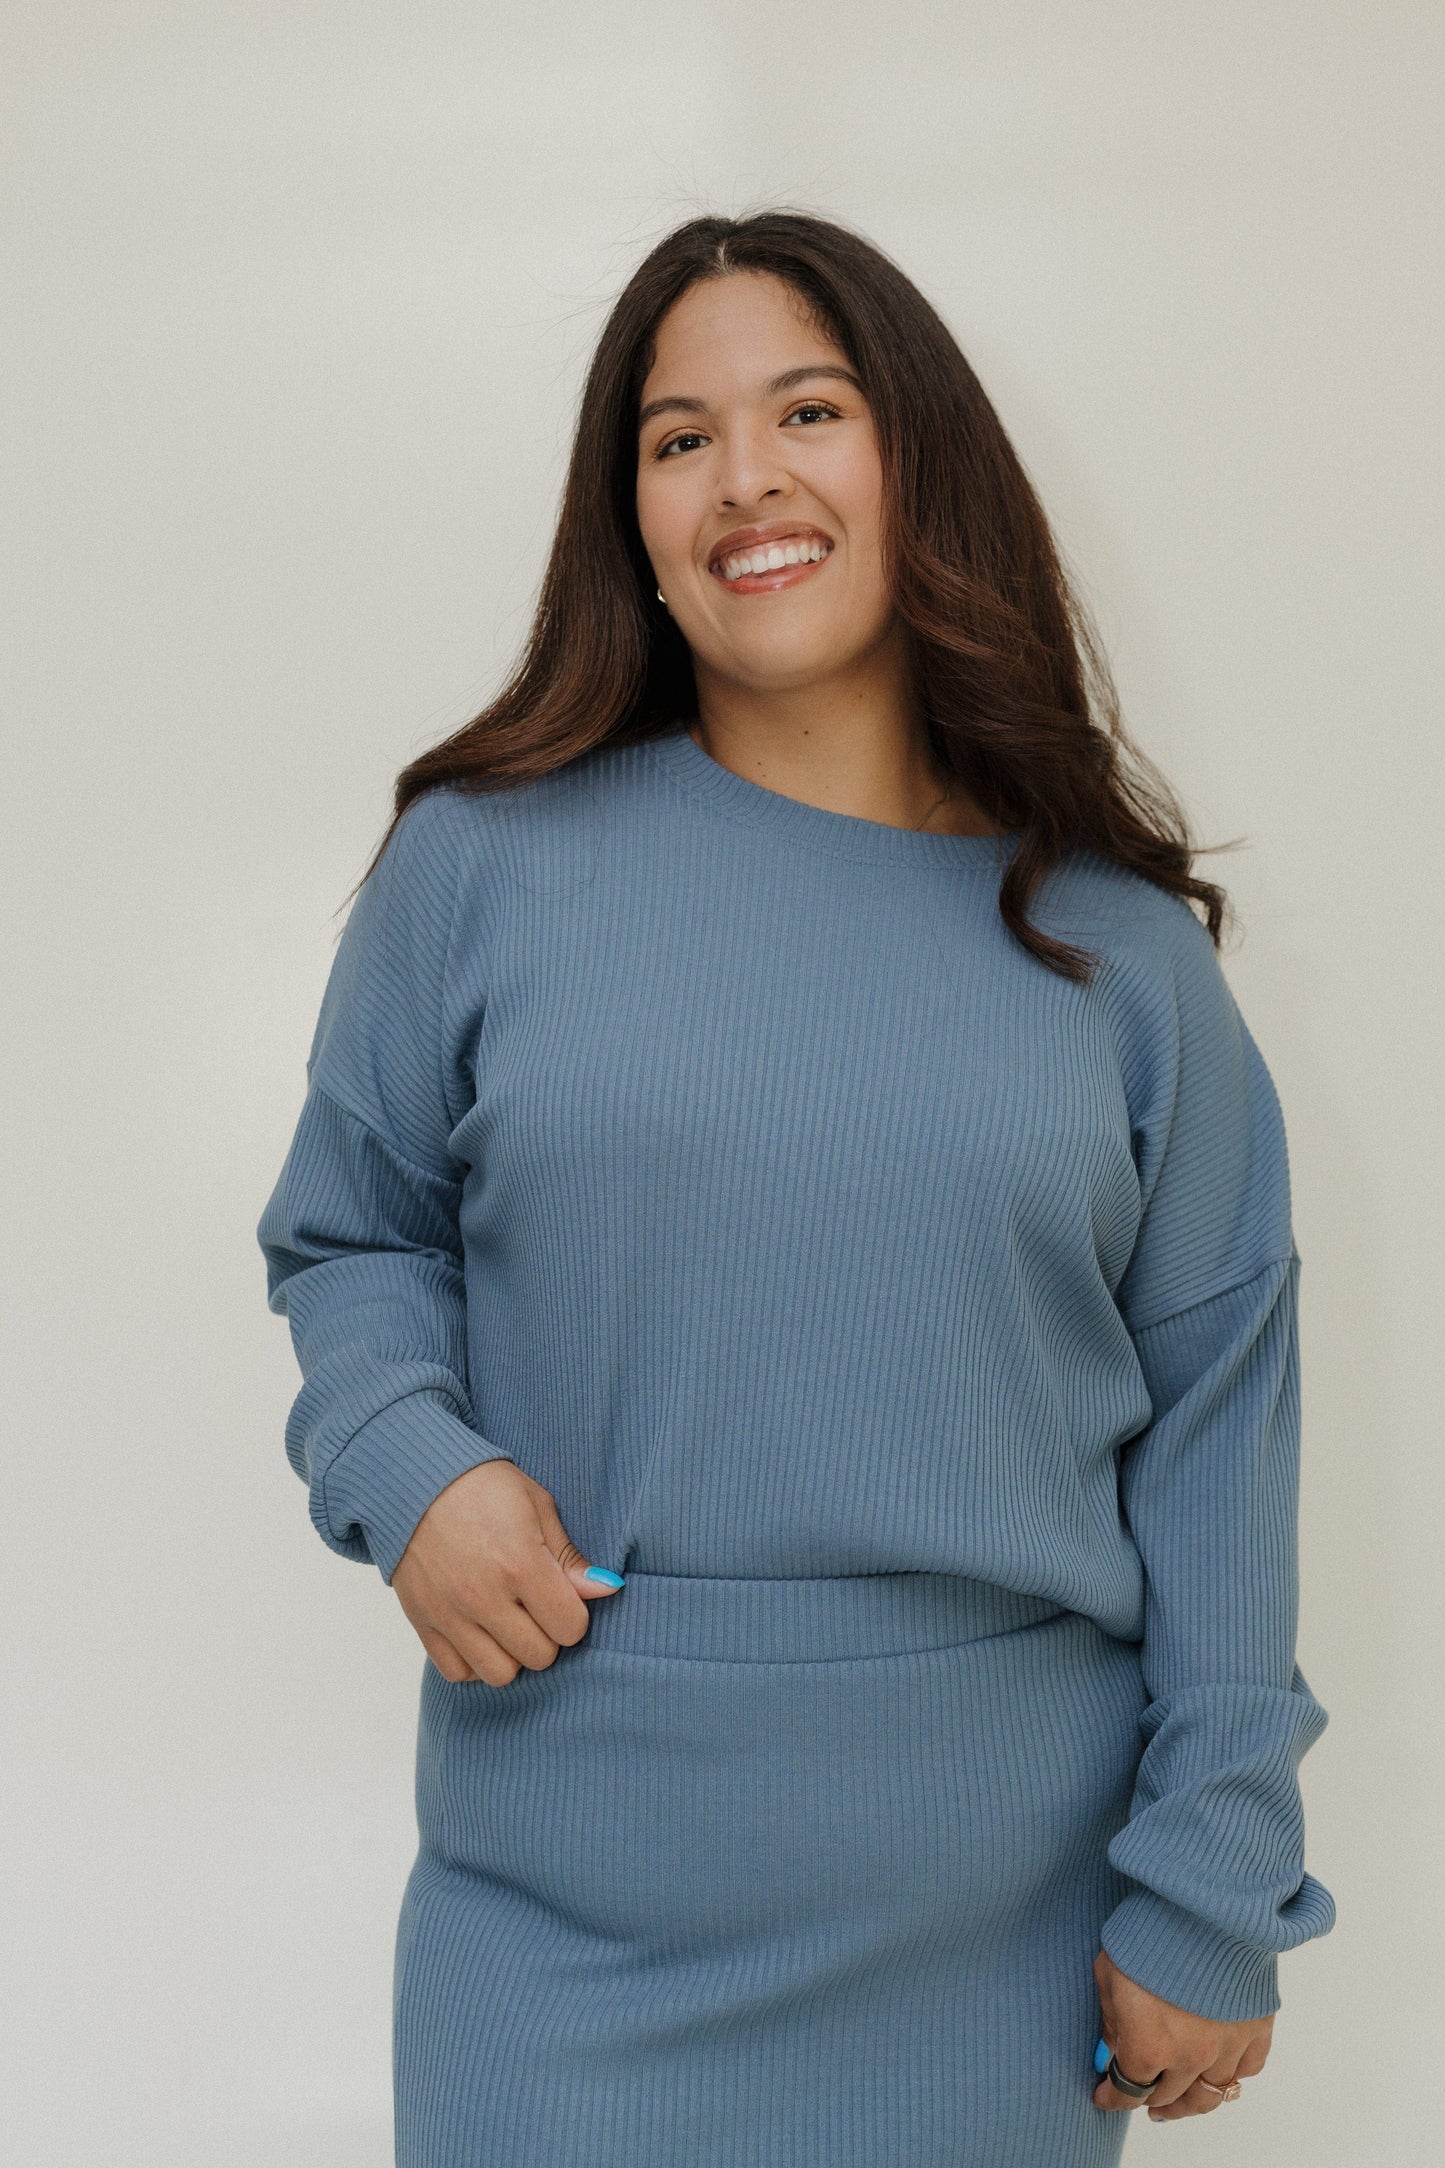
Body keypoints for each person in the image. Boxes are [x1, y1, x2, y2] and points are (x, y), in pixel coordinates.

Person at [256, 210, 1334, 2166]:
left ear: (917, 456)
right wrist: (408, 1458)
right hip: (558, 1917)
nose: (744, 475)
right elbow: (352, 1233)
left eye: (807, 411)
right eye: (678, 438)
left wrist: (1217, 1867)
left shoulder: (1119, 953)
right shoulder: (482, 863)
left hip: (994, 1942)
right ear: (635, 518)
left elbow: (1220, 1426)